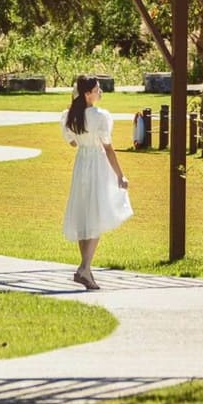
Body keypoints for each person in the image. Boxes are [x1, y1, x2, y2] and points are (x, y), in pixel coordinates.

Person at [61, 74, 132, 290]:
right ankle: (84, 268)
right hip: (97, 164)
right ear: (88, 93)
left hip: (82, 163)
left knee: (85, 215)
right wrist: (120, 175)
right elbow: (108, 148)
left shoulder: (70, 115)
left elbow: (73, 143)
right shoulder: (101, 116)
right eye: (97, 89)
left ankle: (86, 270)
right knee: (97, 214)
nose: (100, 92)